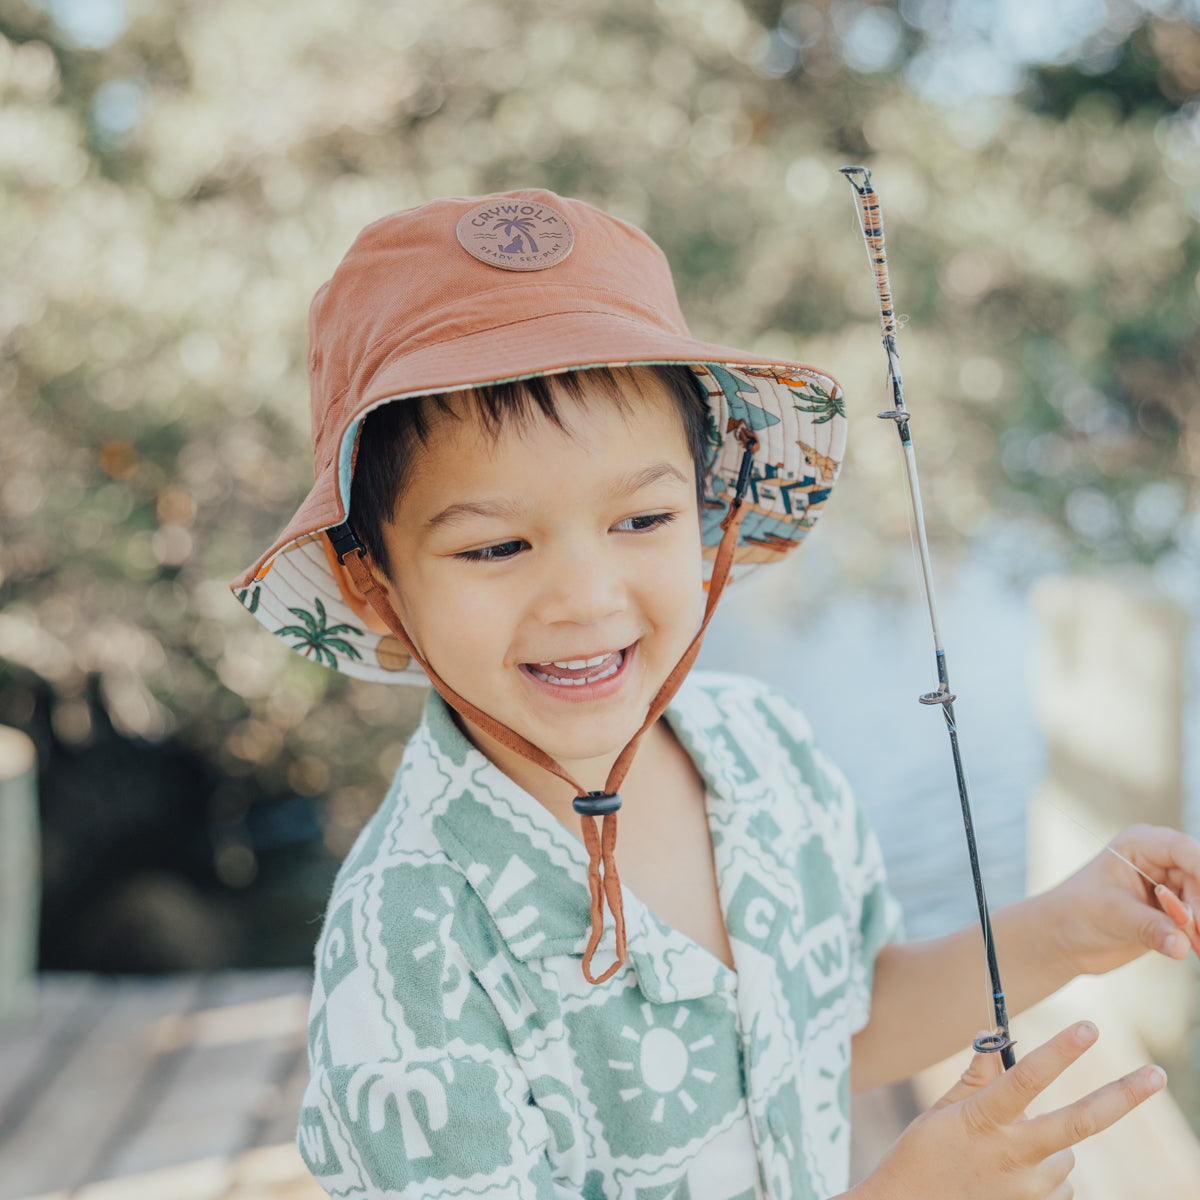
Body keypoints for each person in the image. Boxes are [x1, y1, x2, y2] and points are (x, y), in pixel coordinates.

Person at [231, 189, 1200, 1200]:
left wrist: (1061, 930)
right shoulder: (407, 935)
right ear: (374, 586)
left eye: (641, 521)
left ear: (709, 513)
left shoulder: (763, 745)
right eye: (497, 546)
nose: (585, 598)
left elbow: (833, 1029)